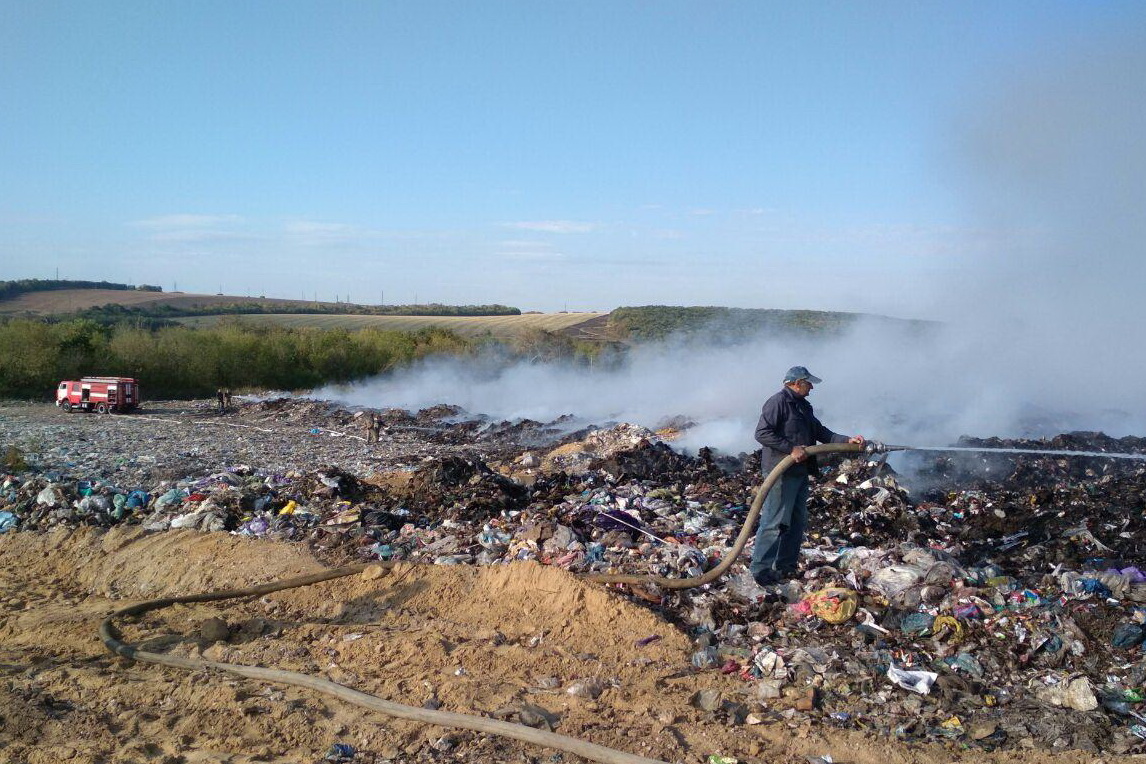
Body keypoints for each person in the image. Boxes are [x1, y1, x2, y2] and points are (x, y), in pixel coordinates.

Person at [751, 366, 864, 587]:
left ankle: (786, 566)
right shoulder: (778, 402)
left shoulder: (803, 406)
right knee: (774, 522)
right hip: (781, 472)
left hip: (800, 472)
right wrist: (791, 448)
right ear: (796, 382)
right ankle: (760, 569)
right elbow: (762, 433)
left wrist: (847, 440)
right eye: (808, 383)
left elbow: (821, 433)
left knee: (796, 521)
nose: (811, 387)